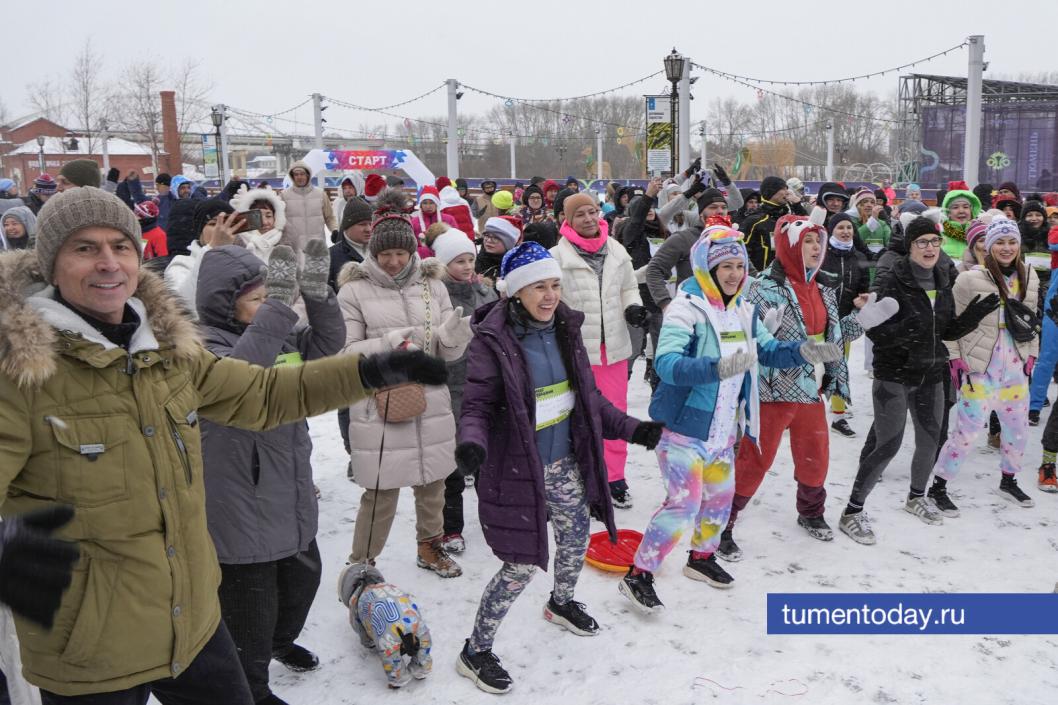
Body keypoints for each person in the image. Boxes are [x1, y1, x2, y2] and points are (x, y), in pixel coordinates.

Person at [0, 185, 446, 703]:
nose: (108, 263)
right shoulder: (19, 373)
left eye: (121, 246)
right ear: (50, 263)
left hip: (191, 621)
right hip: (90, 647)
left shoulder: (167, 351)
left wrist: (372, 370)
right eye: (84, 248)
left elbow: (261, 393)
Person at [454, 242, 663, 694]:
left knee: (575, 538)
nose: (549, 296)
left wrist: (633, 430)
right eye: (538, 288)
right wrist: (472, 444)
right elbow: (476, 405)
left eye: (554, 285)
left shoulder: (566, 331)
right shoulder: (494, 342)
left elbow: (589, 402)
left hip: (564, 463)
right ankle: (475, 650)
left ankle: (561, 602)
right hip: (515, 468)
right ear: (515, 293)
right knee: (520, 565)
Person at [620, 228, 810, 611]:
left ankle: (702, 559)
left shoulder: (743, 309)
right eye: (726, 265)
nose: (735, 273)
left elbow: (768, 350)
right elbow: (668, 364)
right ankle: (638, 574)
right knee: (683, 505)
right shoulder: (685, 308)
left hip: (724, 429)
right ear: (707, 266)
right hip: (682, 430)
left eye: (740, 265)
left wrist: (809, 350)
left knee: (718, 502)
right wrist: (720, 367)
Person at [196, 242, 338, 705]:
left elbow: (328, 345)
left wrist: (317, 295)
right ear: (224, 304)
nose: (270, 307)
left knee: (302, 583)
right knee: (250, 610)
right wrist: (277, 309)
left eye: (271, 296)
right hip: (241, 501)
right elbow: (240, 379)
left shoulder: (275, 336)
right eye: (258, 298)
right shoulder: (203, 347)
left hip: (288, 485)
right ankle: (251, 686)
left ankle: (277, 642)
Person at [336, 189, 473, 578]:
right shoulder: (353, 291)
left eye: (401, 253)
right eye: (385, 254)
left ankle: (430, 548)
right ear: (372, 253)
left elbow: (447, 353)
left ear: (413, 251)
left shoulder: (434, 286)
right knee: (380, 491)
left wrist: (455, 335)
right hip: (380, 404)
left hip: (430, 400)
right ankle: (361, 563)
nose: (394, 262)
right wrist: (388, 343)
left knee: (432, 483)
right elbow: (344, 353)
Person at [839, 217, 1000, 543]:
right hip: (894, 375)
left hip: (931, 372)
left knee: (930, 441)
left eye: (934, 242)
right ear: (910, 247)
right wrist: (902, 334)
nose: (930, 248)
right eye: (922, 242)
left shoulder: (943, 278)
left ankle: (916, 496)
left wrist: (973, 315)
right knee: (888, 444)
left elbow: (946, 331)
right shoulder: (893, 281)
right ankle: (852, 511)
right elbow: (878, 332)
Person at [727, 215, 859, 551]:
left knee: (815, 452)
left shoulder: (823, 287)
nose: (817, 248)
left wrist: (863, 321)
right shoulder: (760, 287)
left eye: (819, 241)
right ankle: (722, 521)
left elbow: (830, 339)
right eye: (809, 242)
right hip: (773, 388)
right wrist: (760, 336)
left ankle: (811, 512)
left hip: (810, 386)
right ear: (790, 246)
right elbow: (748, 342)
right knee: (757, 458)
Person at [931, 216, 1040, 510]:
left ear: (1019, 244)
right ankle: (939, 486)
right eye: (1000, 243)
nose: (1006, 248)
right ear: (988, 246)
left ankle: (1009, 480)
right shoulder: (968, 278)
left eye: (1012, 242)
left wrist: (1031, 356)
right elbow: (950, 324)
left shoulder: (1029, 275)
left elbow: (1032, 321)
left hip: (1015, 366)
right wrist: (955, 360)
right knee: (967, 431)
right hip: (980, 367)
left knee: (1017, 429)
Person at [551, 193, 646, 508]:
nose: (589, 219)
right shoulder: (555, 257)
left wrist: (632, 307)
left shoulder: (616, 250)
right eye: (581, 214)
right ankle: (581, 476)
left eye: (593, 212)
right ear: (568, 220)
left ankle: (614, 478)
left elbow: (629, 287)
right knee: (576, 417)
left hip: (614, 350)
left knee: (614, 416)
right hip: (575, 352)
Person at [431, 229, 498, 554]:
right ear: (445, 263)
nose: (468, 265)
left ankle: (492, 518)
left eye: (471, 259)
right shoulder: (435, 296)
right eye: (459, 261)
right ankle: (451, 526)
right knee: (453, 462)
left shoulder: (485, 293)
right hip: (448, 386)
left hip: (482, 384)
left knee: (485, 456)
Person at [818, 210, 870, 437]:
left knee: (839, 367)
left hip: (843, 321)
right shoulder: (820, 253)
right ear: (831, 230)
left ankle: (838, 416)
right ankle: (804, 409)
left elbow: (864, 286)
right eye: (841, 228)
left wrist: (862, 300)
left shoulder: (858, 257)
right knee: (813, 367)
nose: (846, 231)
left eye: (849, 228)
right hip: (818, 321)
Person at [164, 198, 239, 311]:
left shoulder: (241, 260)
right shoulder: (181, 264)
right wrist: (213, 250)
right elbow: (183, 307)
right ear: (200, 232)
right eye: (214, 224)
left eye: (228, 224)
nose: (221, 230)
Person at [279, 161, 336, 253]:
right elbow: (279, 220)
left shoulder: (320, 194)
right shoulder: (284, 196)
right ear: (292, 176)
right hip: (293, 247)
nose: (299, 177)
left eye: (302, 174)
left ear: (308, 175)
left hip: (317, 246)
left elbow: (330, 217)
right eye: (296, 174)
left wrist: (334, 230)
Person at [741, 176, 793, 271]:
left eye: (787, 189)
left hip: (786, 279)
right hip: (762, 280)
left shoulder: (789, 218)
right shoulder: (755, 220)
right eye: (783, 189)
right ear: (771, 192)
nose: (787, 193)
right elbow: (742, 252)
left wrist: (797, 205)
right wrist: (754, 277)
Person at [229, 185, 288, 263]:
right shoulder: (234, 244)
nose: (264, 222)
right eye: (257, 217)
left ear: (276, 217)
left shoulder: (285, 244)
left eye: (268, 216)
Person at [329, 195, 373, 292]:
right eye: (362, 224)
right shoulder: (330, 257)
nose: (369, 229)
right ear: (348, 226)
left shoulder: (380, 252)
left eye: (370, 223)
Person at [476, 216, 522, 284]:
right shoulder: (473, 262)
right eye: (487, 235)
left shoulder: (515, 269)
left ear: (508, 243)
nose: (488, 240)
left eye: (495, 237)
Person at [411, 186, 457, 251]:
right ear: (420, 205)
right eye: (425, 203)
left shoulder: (449, 220)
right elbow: (411, 244)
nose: (428, 206)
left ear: (436, 204)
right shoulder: (414, 222)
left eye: (431, 203)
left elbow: (455, 240)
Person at [939, 189, 982, 259]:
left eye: (965, 207)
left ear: (971, 211)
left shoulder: (980, 234)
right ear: (948, 213)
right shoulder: (938, 234)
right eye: (955, 207)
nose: (961, 211)